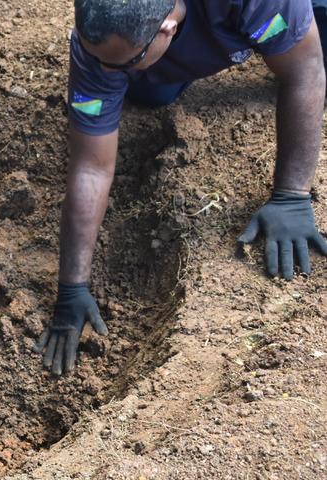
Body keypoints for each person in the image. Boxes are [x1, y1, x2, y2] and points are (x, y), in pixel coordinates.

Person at [38, 0, 327, 375]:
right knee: (146, 92)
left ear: (167, 28)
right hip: (199, 27)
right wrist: (71, 287)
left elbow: (305, 71)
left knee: (309, 49)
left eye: (120, 61)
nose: (104, 71)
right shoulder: (101, 48)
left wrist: (291, 194)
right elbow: (91, 168)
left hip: (261, 10)